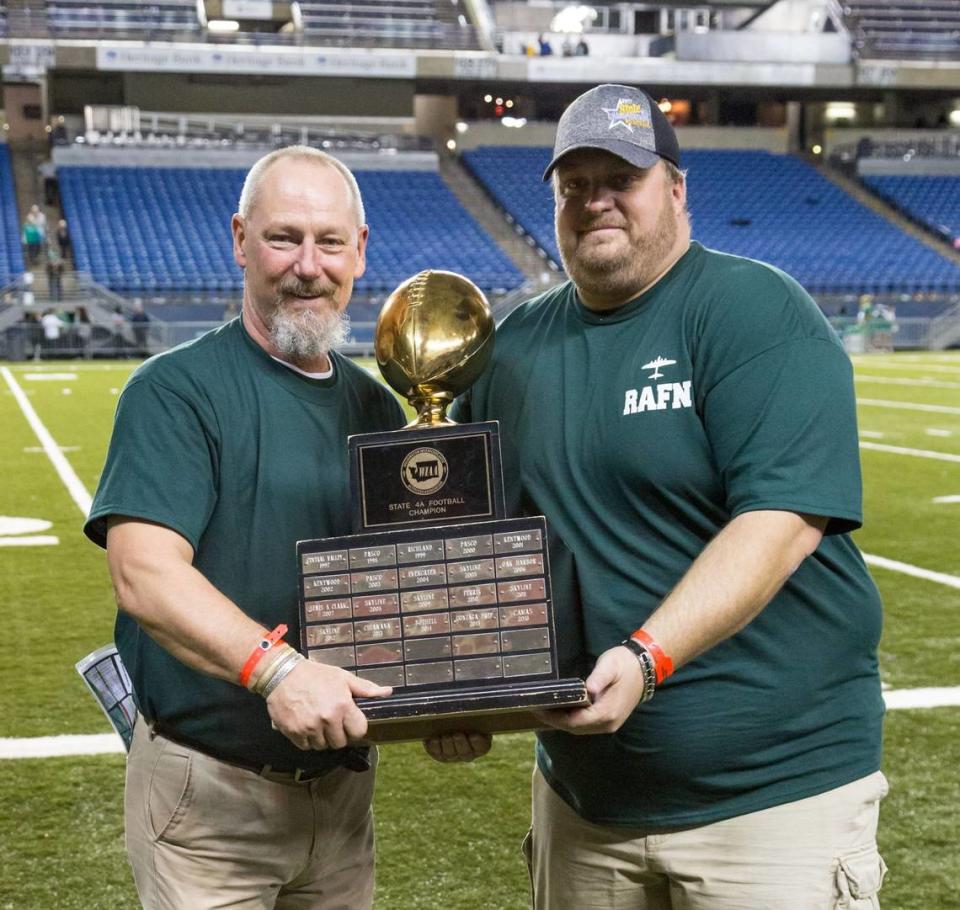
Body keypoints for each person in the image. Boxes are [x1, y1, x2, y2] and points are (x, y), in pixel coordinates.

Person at [448, 84, 886, 908]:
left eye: (621, 178)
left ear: (677, 190)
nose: (595, 201)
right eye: (574, 184)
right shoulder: (508, 350)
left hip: (772, 801)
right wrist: (457, 682)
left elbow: (781, 522)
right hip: (584, 804)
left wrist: (650, 658)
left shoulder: (756, 312)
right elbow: (471, 536)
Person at [84, 145, 406, 909]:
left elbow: (396, 589)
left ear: (359, 250)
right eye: (282, 237)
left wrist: (443, 699)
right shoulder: (175, 390)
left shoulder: (376, 409)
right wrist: (279, 671)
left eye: (329, 242)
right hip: (210, 798)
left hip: (341, 794)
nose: (307, 265)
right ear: (238, 241)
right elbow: (144, 572)